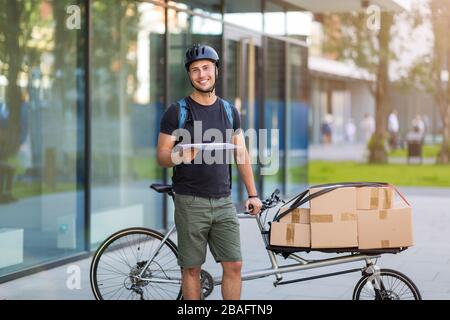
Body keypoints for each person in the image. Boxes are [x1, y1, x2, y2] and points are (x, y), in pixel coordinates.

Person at [156, 44, 262, 300]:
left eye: (206, 68)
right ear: (189, 75)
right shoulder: (177, 111)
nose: (201, 74)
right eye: (195, 70)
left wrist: (253, 194)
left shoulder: (229, 111)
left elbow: (241, 154)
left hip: (223, 201)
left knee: (234, 265)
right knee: (191, 269)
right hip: (190, 201)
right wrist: (183, 154)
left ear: (216, 70)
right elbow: (161, 156)